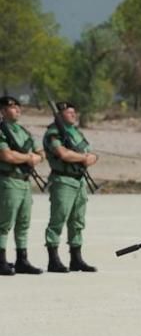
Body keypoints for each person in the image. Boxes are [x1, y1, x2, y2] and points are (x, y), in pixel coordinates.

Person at [43, 100, 98, 272]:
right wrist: (83, 158)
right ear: (59, 115)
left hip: (79, 180)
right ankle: (53, 259)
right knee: (58, 219)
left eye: (74, 112)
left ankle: (76, 258)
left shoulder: (75, 132)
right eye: (69, 112)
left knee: (77, 220)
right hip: (63, 180)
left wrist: (91, 158)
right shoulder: (54, 133)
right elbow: (62, 154)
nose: (73, 115)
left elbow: (88, 152)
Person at [0, 96, 44, 276]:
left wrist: (34, 158)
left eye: (18, 106)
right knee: (4, 223)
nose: (17, 109)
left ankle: (22, 259)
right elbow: (6, 156)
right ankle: (1, 260)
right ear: (2, 111)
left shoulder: (23, 132)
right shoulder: (2, 131)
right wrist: (28, 157)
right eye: (12, 107)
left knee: (23, 223)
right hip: (8, 181)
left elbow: (40, 153)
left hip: (24, 182)